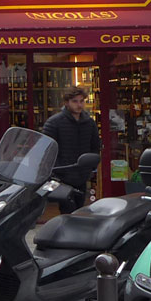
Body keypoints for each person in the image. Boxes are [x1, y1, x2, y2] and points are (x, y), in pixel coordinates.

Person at [42, 86, 101, 214]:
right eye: (75, 101)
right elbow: (46, 150)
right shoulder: (54, 123)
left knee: (79, 210)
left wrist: (90, 168)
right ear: (66, 102)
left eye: (81, 101)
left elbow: (95, 147)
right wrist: (56, 171)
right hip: (62, 176)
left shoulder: (90, 123)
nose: (79, 105)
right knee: (67, 212)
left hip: (82, 175)